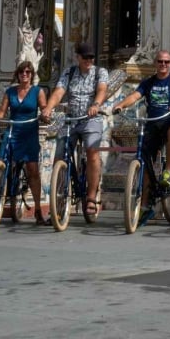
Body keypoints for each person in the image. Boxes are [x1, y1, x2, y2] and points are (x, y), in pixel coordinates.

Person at [41, 42, 110, 219]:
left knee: (92, 151)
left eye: (91, 57)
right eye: (85, 57)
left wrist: (96, 104)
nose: (89, 60)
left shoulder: (99, 72)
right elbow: (58, 92)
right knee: (59, 156)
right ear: (78, 57)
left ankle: (92, 198)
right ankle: (58, 203)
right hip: (70, 119)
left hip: (90, 119)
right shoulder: (69, 72)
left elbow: (102, 90)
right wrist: (48, 108)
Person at [114, 50, 170, 189]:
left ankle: (168, 170)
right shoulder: (148, 82)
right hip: (153, 122)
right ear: (155, 63)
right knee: (146, 162)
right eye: (160, 61)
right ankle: (145, 205)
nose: (163, 64)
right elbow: (135, 96)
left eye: (166, 62)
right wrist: (120, 105)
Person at [0, 60, 45, 225]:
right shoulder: (10, 92)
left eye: (27, 72)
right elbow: (1, 112)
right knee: (6, 163)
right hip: (13, 131)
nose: (24, 75)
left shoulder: (37, 91)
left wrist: (45, 115)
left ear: (31, 75)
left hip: (29, 132)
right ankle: (4, 196)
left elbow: (43, 107)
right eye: (21, 72)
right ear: (18, 75)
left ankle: (39, 210)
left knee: (32, 169)